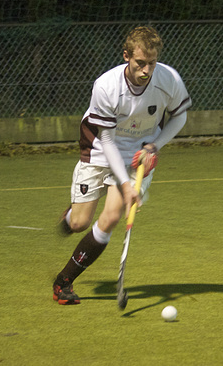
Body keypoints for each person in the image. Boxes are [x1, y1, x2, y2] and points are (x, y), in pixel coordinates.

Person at [52, 26, 192, 304]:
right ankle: (71, 217)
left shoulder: (169, 79)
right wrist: (127, 186)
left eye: (151, 63)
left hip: (138, 154)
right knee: (80, 223)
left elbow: (180, 116)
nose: (146, 71)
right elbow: (107, 140)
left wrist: (155, 146)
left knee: (111, 217)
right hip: (100, 148)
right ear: (126, 56)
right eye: (140, 63)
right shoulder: (106, 86)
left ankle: (63, 281)